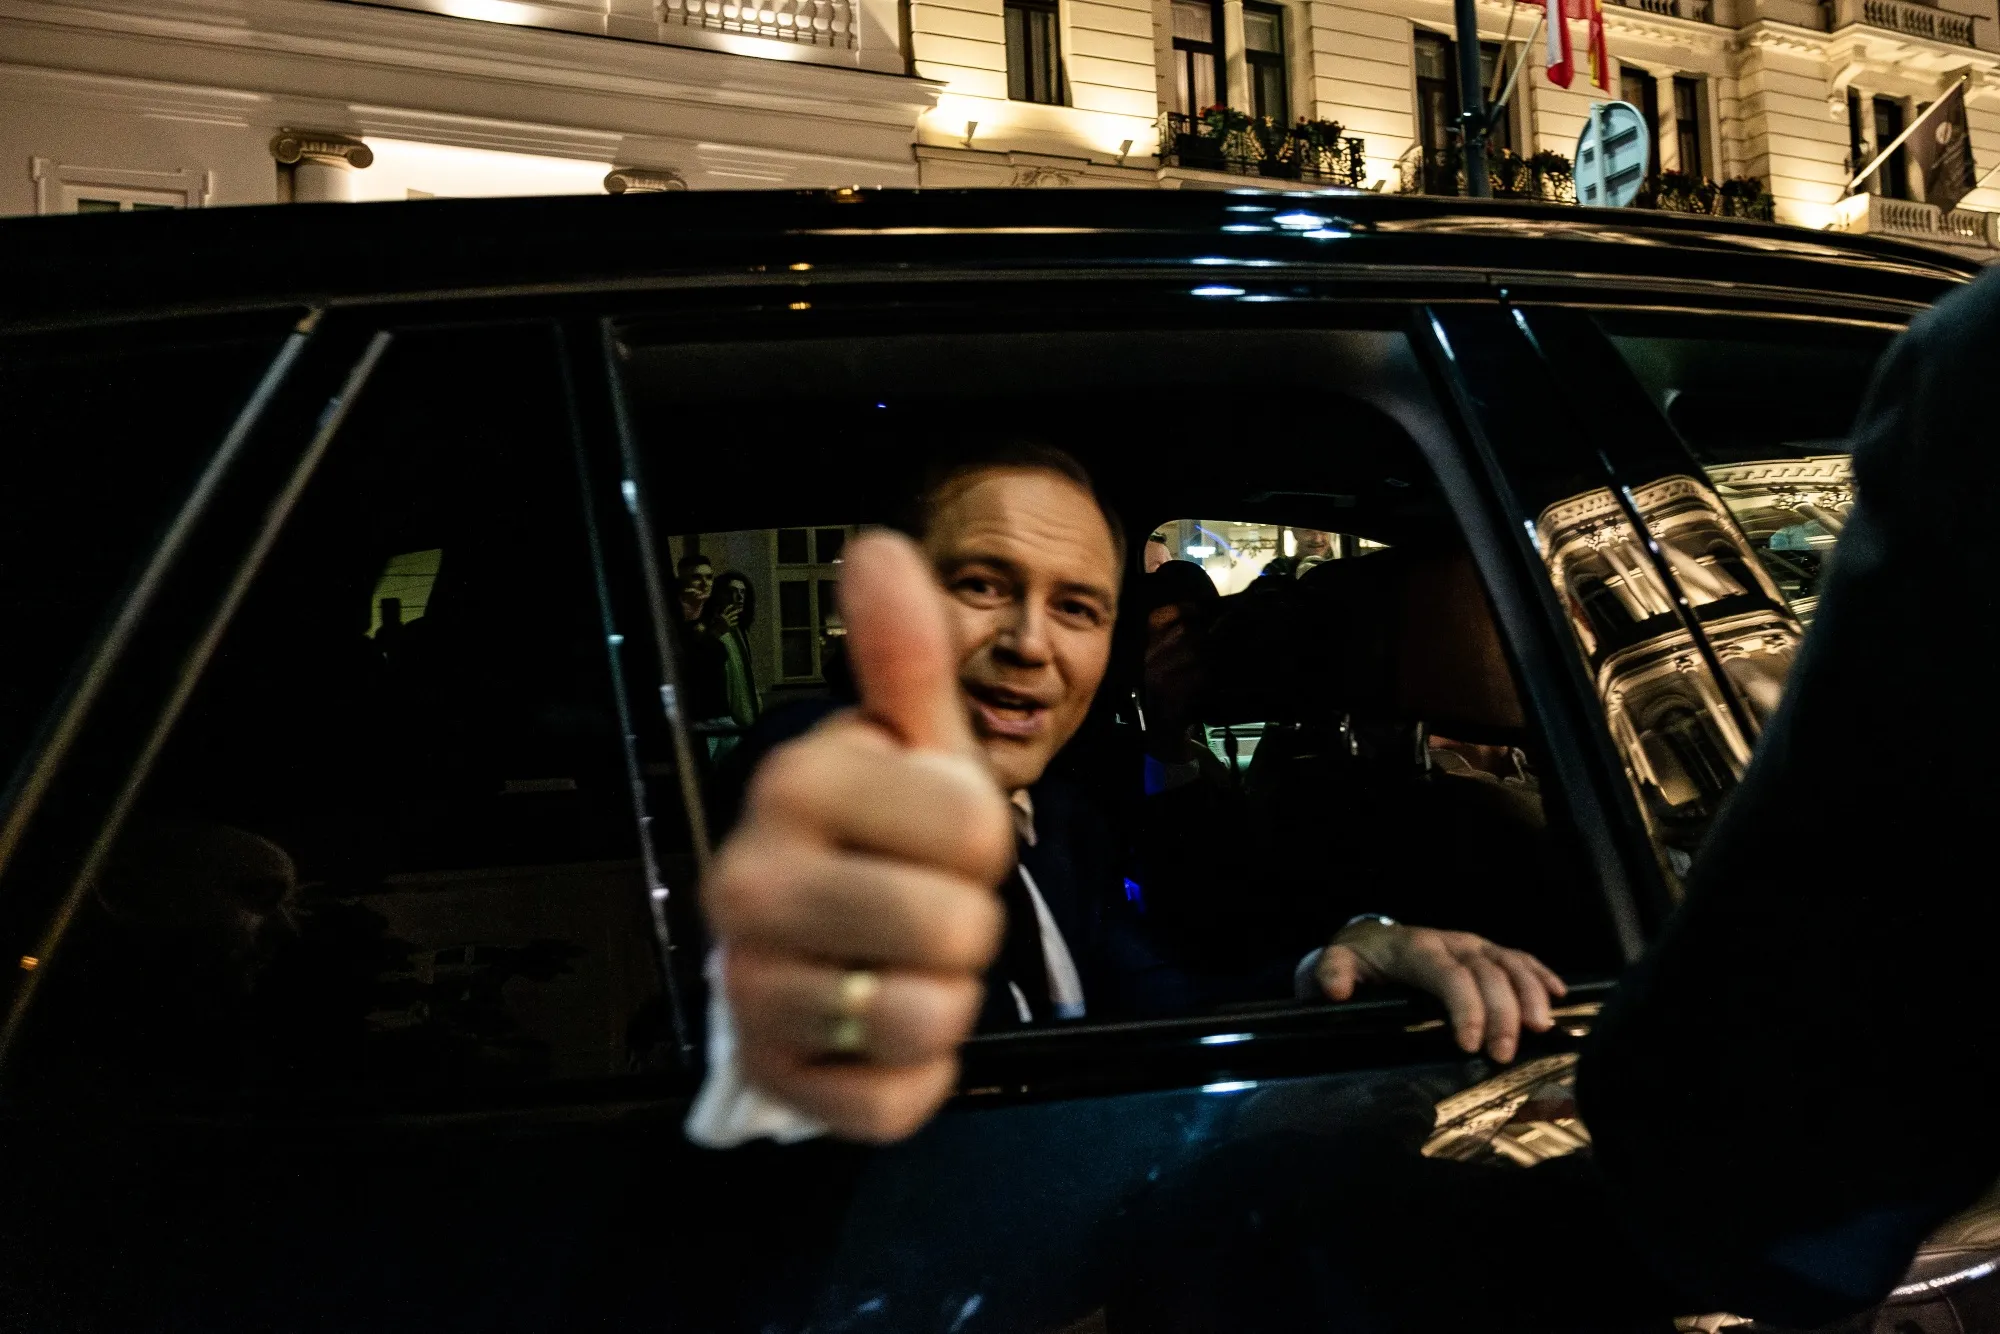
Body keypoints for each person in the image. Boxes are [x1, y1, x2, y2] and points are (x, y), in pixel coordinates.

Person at [697, 443, 1567, 1143]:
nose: (1032, 643)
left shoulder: (1059, 824)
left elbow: (1161, 1011)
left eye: (1078, 607)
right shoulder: (826, 776)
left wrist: (1343, 957)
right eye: (982, 586)